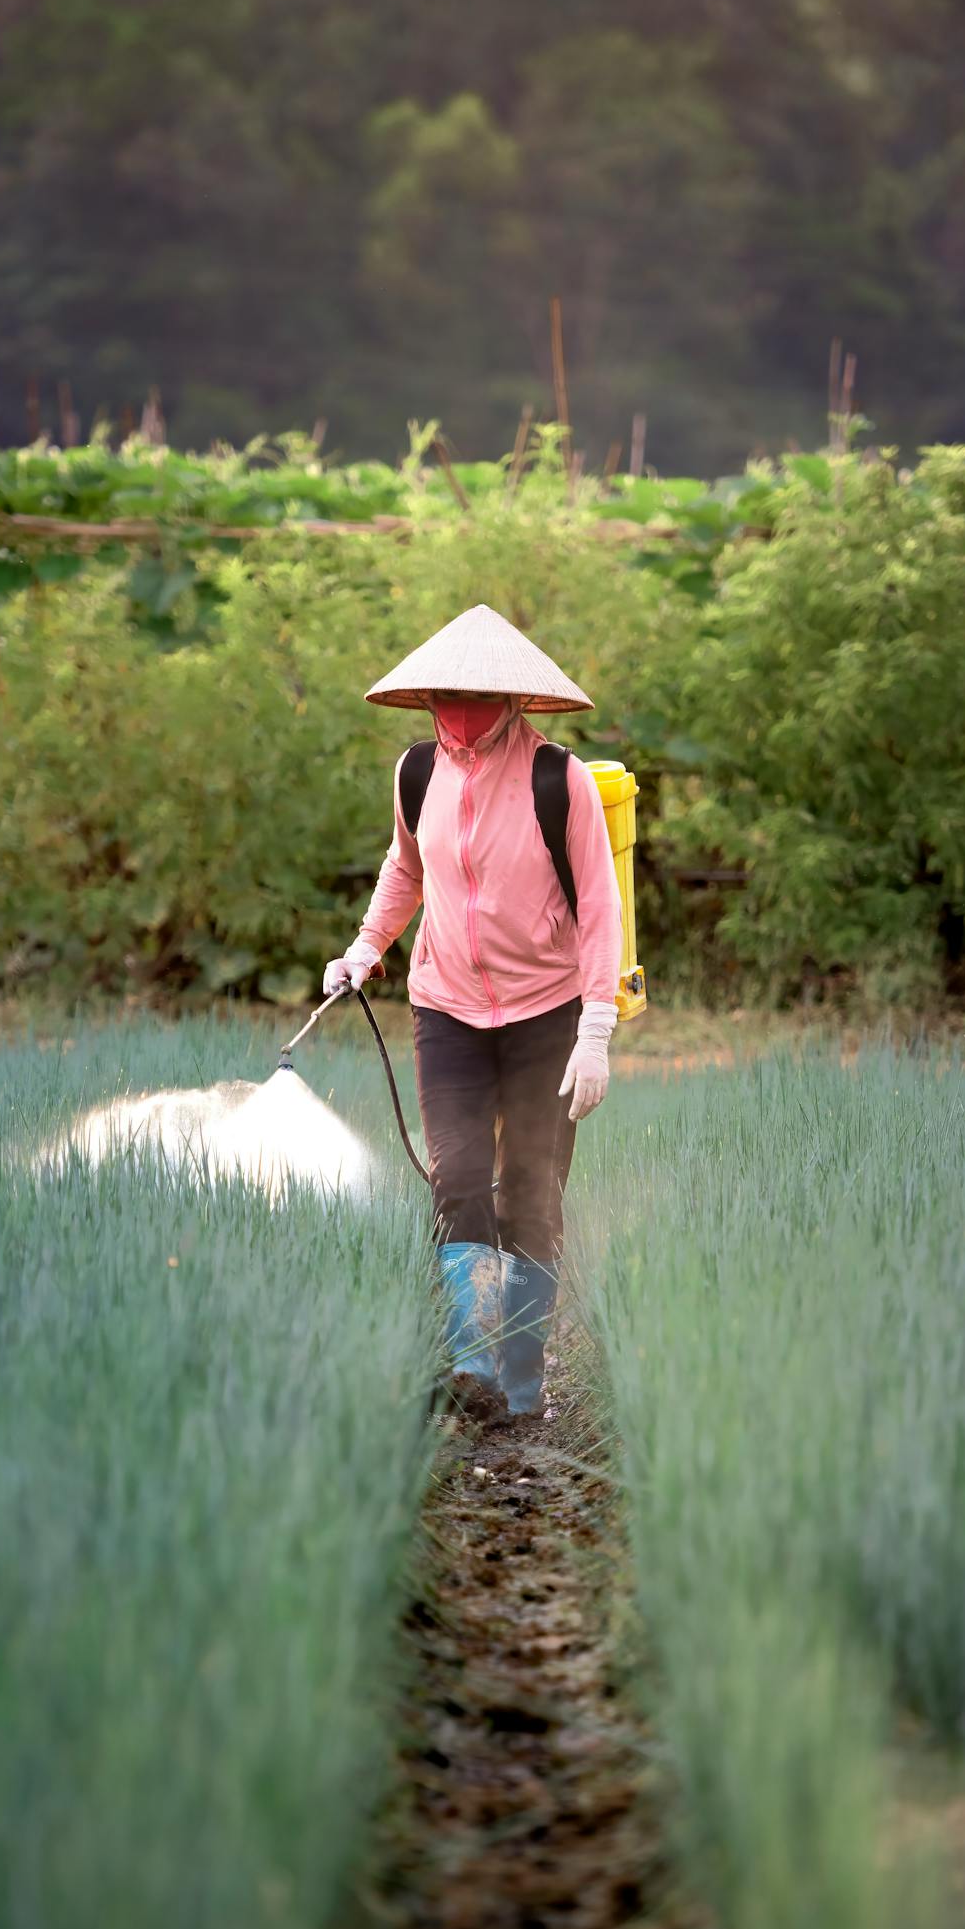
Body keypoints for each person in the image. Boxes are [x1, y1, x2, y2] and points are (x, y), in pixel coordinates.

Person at [323, 604, 622, 1419]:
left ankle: (524, 1386)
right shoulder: (417, 770)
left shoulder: (560, 781)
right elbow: (404, 865)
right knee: (456, 1180)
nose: (457, 708)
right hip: (445, 1009)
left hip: (545, 1017)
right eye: (444, 693)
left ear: (514, 699)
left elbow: (600, 908)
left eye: (475, 693)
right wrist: (365, 945)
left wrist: (595, 1030)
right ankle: (471, 1369)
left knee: (531, 1192)